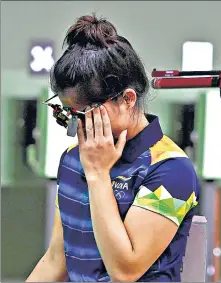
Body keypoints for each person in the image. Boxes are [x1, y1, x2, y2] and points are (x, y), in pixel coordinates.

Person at [26, 14, 200, 282]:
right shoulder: (74, 158)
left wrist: (97, 175)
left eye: (86, 114)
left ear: (127, 99)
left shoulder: (171, 169)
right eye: (68, 113)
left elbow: (124, 271)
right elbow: (56, 259)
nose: (77, 125)